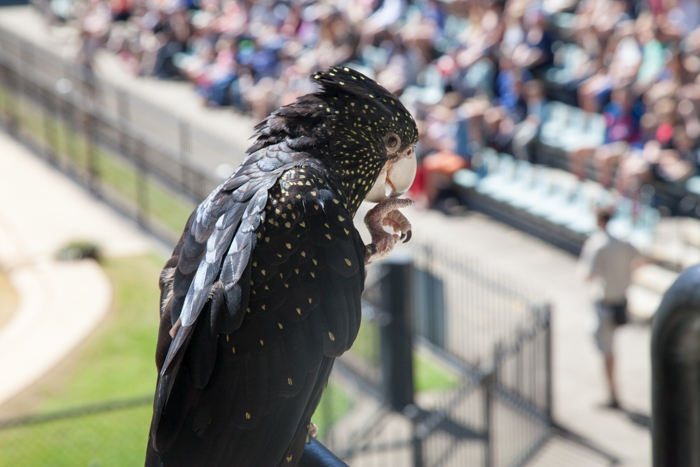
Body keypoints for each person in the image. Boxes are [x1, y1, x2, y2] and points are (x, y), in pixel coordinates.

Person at [577, 207, 644, 409]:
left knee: (607, 350)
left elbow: (586, 276)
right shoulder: (624, 242)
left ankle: (612, 394)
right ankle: (612, 392)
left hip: (606, 305)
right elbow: (643, 257)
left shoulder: (598, 245)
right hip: (621, 300)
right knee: (610, 348)